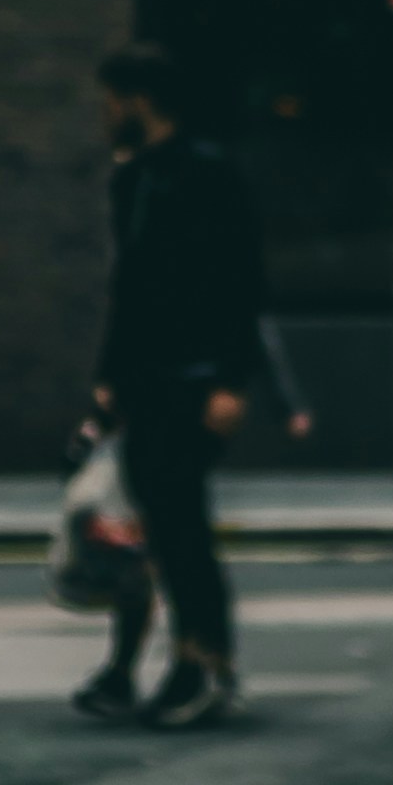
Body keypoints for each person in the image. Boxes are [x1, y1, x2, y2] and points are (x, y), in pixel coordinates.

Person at [73, 44, 269, 731]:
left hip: (195, 380)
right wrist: (108, 377)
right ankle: (140, 671)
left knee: (182, 532)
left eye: (110, 101)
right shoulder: (132, 179)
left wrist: (231, 381)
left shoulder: (206, 175)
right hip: (145, 381)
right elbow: (129, 290)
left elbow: (241, 282)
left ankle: (205, 665)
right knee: (145, 530)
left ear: (138, 101)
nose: (103, 115)